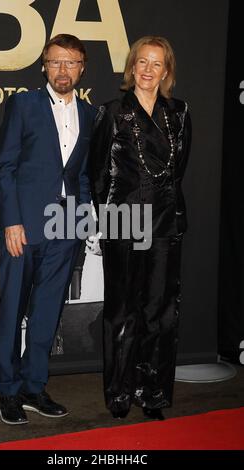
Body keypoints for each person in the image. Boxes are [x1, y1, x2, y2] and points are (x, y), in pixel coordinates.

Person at [0, 34, 96, 425]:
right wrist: (12, 221)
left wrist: (82, 222)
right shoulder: (24, 104)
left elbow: (82, 175)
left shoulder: (89, 115)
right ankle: (7, 390)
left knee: (47, 314)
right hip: (24, 228)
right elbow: (5, 167)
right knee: (12, 311)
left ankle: (34, 386)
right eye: (55, 62)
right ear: (43, 65)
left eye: (71, 63)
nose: (63, 70)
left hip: (65, 229)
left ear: (82, 68)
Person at [89, 36, 191, 419]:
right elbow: (97, 174)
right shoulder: (112, 111)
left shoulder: (179, 113)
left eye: (157, 64)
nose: (149, 70)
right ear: (132, 67)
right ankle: (119, 394)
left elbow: (178, 171)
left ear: (167, 71)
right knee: (122, 310)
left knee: (160, 310)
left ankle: (152, 394)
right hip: (123, 218)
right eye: (142, 62)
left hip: (165, 219)